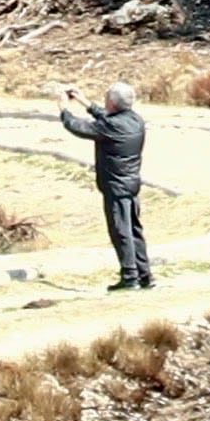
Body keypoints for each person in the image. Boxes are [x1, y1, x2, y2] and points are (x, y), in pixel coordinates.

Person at [54, 80, 151, 289]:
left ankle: (130, 277)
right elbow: (107, 118)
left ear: (113, 103)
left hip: (116, 185)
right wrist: (84, 102)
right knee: (134, 230)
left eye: (107, 98)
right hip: (131, 183)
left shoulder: (112, 126)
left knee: (121, 231)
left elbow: (78, 127)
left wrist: (64, 109)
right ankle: (145, 275)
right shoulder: (135, 120)